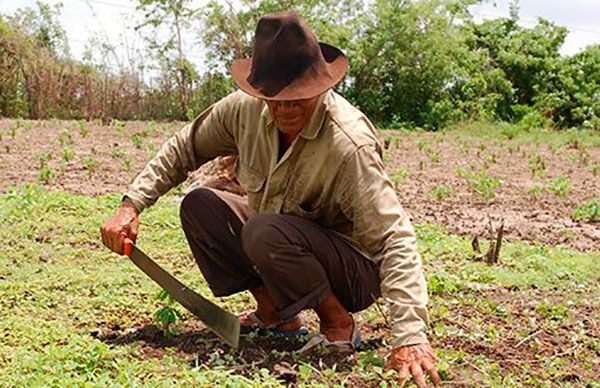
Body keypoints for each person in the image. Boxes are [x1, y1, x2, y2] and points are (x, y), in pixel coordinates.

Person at [100, 11, 441, 387]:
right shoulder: (243, 110)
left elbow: (394, 238)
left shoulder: (348, 143)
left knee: (264, 230)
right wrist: (131, 205)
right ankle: (277, 314)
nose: (286, 107)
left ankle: (338, 323)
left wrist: (410, 336)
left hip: (351, 268)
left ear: (320, 86)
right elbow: (185, 146)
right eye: (274, 98)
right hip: (280, 237)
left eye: (298, 97)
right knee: (201, 205)